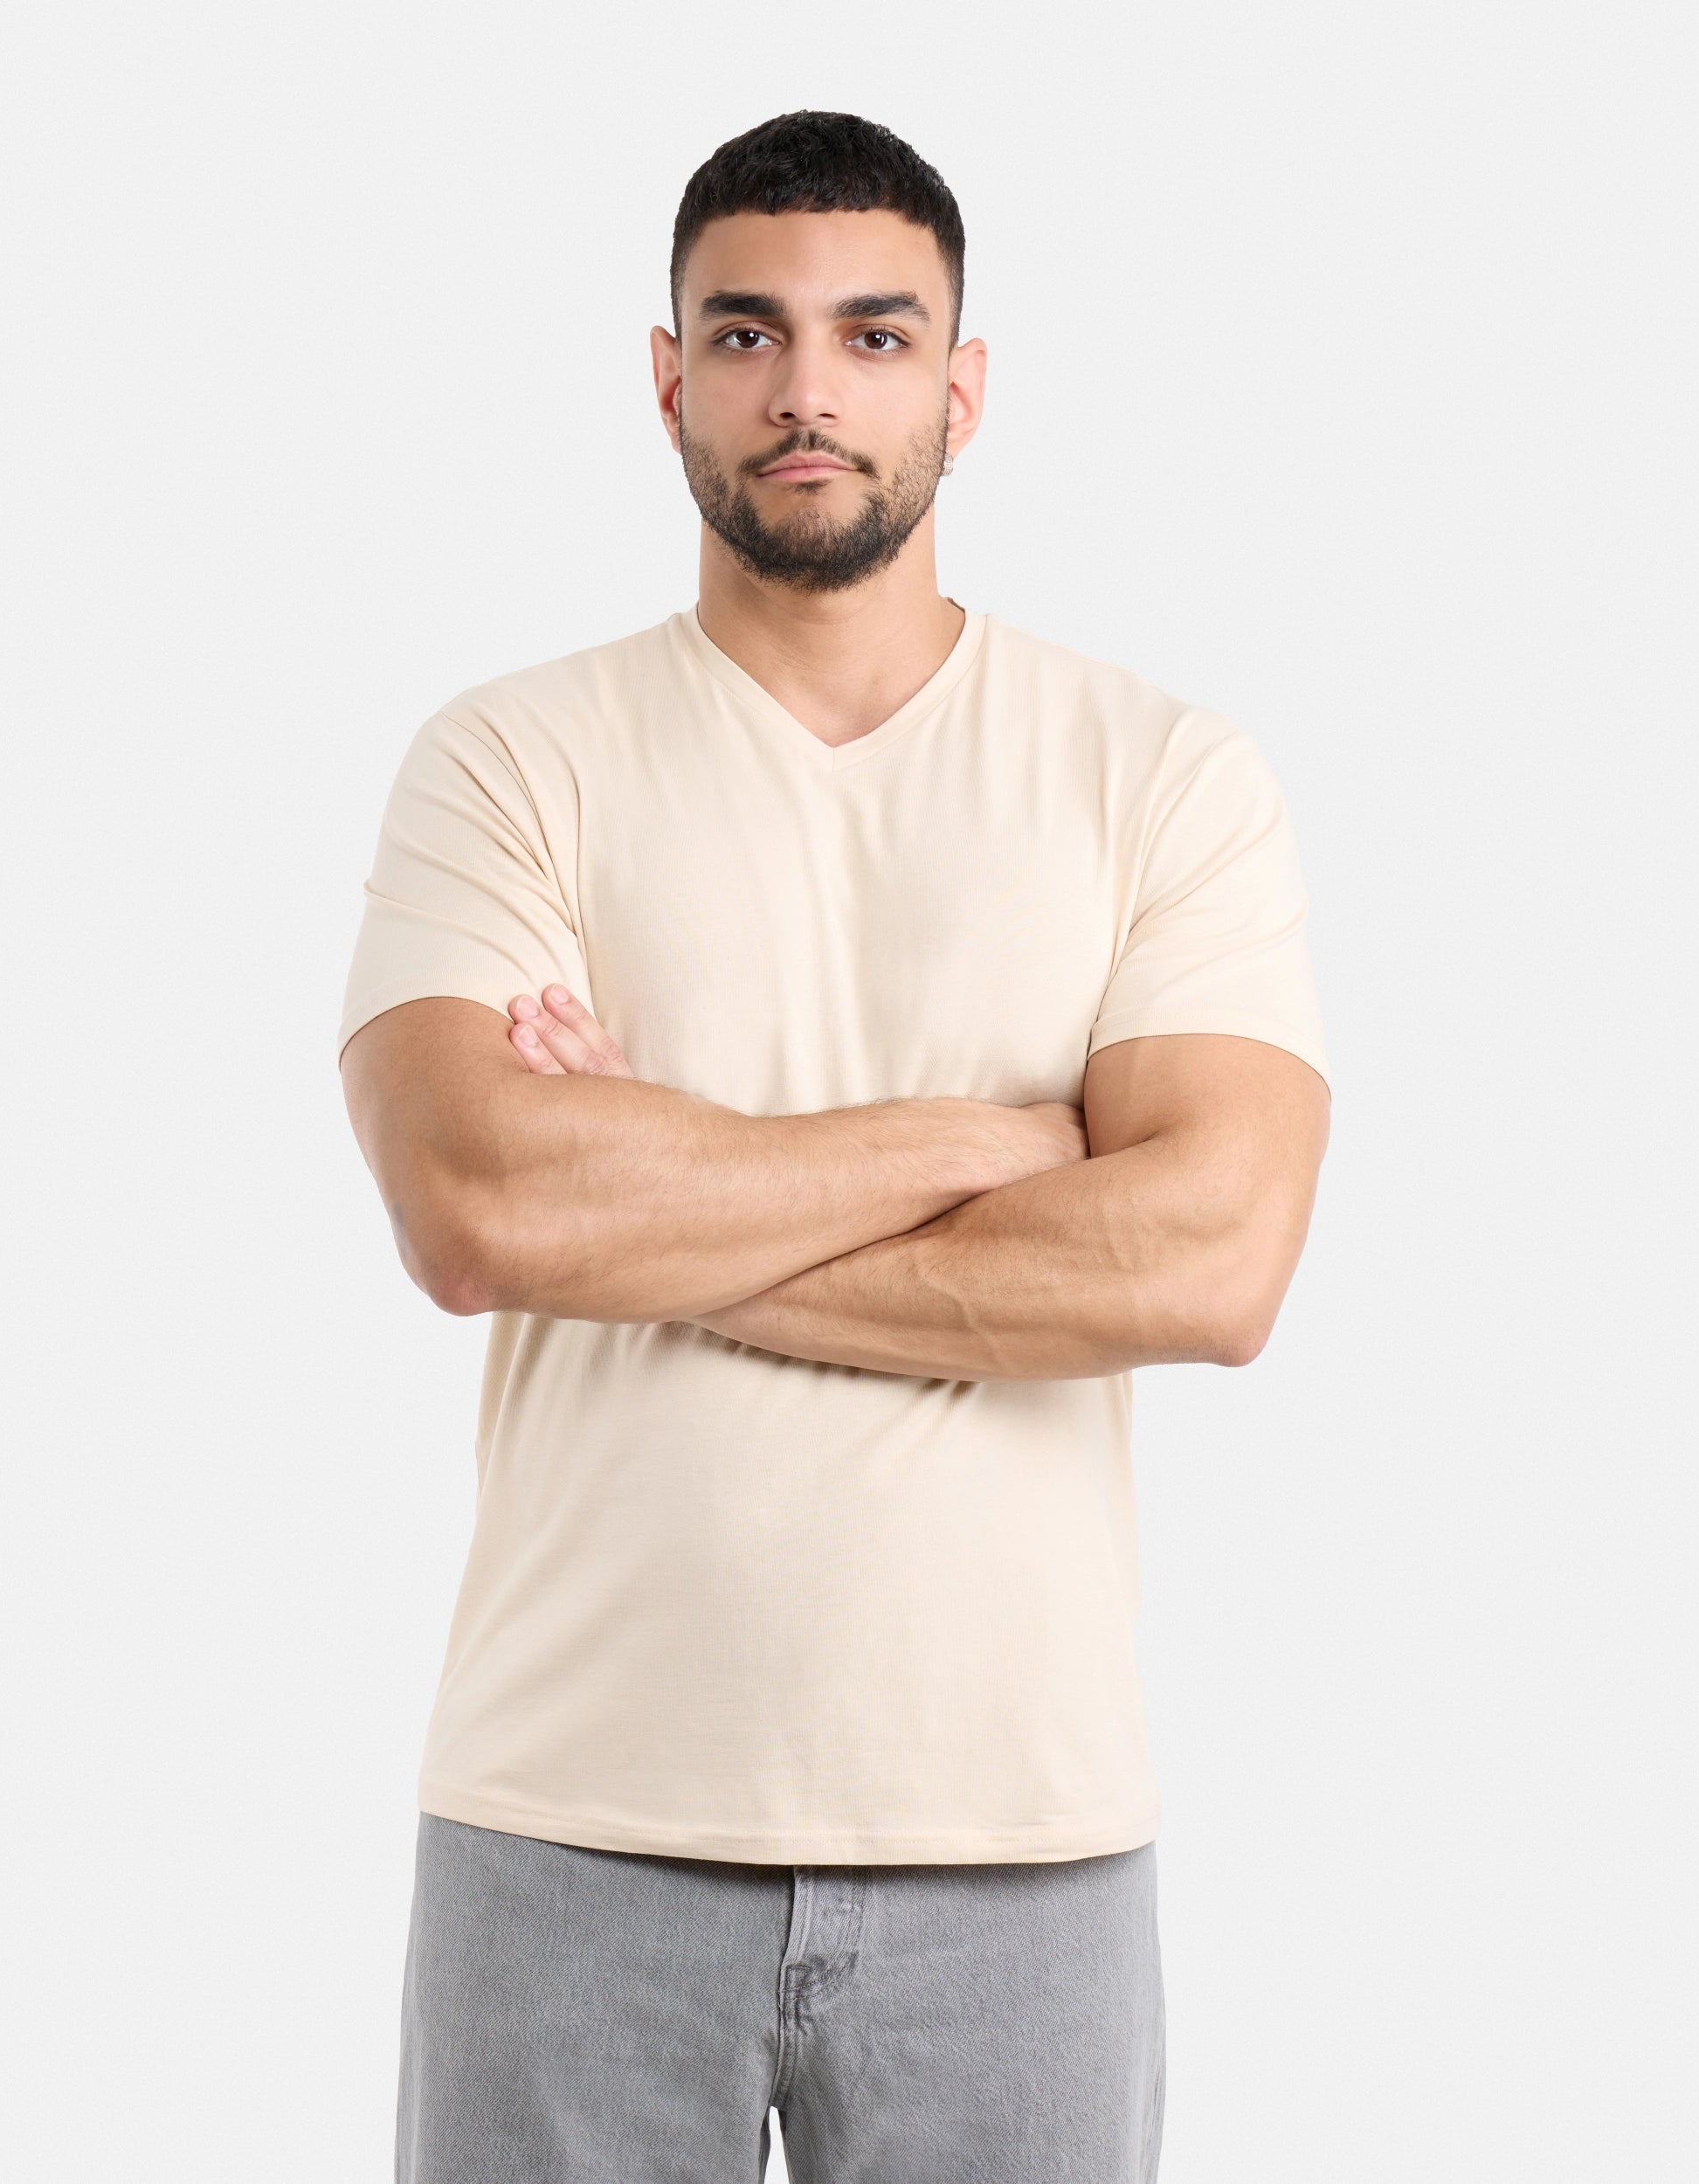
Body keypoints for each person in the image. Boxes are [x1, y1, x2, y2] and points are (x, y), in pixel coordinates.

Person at [337, 107, 1330, 2184]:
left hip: (1020, 1833)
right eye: (747, 333)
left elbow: (1211, 1260)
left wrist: (658, 1199)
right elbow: (481, 1204)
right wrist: (1001, 1137)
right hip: (570, 1815)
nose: (808, 390)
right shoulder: (510, 759)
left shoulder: (1158, 773)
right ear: (665, 376)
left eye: (875, 336)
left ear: (961, 387)